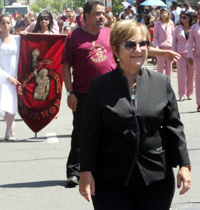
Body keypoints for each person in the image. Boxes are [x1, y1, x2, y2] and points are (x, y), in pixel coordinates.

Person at [62, 0, 180, 188]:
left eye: (103, 13)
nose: (101, 17)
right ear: (86, 16)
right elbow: (66, 65)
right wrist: (70, 92)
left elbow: (136, 47)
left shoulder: (110, 34)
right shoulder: (74, 37)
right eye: (97, 13)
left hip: (114, 91)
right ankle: (76, 170)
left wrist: (162, 53)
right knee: (83, 132)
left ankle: (122, 166)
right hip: (85, 93)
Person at [78, 19, 191, 209]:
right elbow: (89, 134)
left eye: (143, 44)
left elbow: (174, 128)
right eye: (130, 45)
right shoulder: (99, 87)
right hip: (110, 179)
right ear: (116, 49)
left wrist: (184, 166)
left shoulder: (161, 83)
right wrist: (85, 172)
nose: (138, 49)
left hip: (156, 177)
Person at [0, 15, 20, 141]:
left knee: (12, 104)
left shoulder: (17, 39)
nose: (6, 25)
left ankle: (8, 132)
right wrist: (7, 77)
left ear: (11, 24)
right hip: (2, 76)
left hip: (16, 74)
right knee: (3, 105)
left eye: (8, 23)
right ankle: (10, 125)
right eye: (3, 23)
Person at [172, 10, 194, 101]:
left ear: (189, 18)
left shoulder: (194, 27)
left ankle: (190, 92)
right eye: (181, 17)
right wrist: (173, 53)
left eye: (184, 17)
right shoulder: (177, 28)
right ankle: (182, 93)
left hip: (191, 53)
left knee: (191, 74)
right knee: (181, 74)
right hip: (180, 53)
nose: (182, 19)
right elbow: (174, 42)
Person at [153, 8, 175, 79]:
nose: (164, 15)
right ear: (160, 14)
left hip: (169, 47)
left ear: (168, 14)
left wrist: (174, 47)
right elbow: (155, 36)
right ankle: (160, 84)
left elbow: (173, 35)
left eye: (165, 13)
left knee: (169, 68)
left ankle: (168, 84)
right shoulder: (157, 23)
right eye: (162, 13)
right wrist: (156, 47)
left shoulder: (171, 23)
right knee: (160, 68)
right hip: (160, 48)